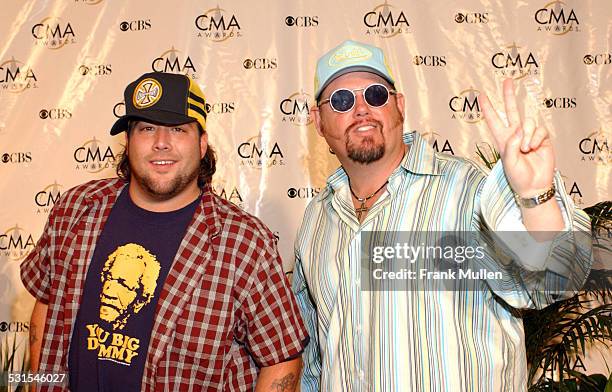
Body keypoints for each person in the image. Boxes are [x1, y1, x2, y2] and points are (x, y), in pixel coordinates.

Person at [292, 40, 593, 391]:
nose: (361, 109)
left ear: (399, 106)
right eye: (341, 100)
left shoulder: (468, 191)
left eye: (375, 94)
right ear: (318, 121)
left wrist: (534, 197)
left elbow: (554, 280)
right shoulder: (316, 219)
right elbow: (315, 358)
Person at [21, 72, 308, 391]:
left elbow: (281, 357)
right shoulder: (74, 210)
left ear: (201, 144)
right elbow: (46, 304)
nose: (161, 142)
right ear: (128, 142)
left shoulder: (243, 242)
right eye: (146, 128)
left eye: (177, 129)